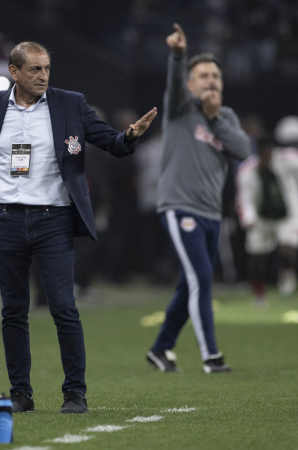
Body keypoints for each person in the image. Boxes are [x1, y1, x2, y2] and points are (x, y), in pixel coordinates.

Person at [0, 41, 157, 414]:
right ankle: (21, 393)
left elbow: (110, 141)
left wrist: (130, 137)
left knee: (63, 308)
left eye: (47, 69)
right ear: (14, 72)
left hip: (52, 219)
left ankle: (75, 392)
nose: (43, 76)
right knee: (13, 310)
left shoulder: (70, 103)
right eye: (35, 70)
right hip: (5, 219)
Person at [147, 24, 251, 374]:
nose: (210, 80)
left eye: (215, 76)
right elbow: (174, 83)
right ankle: (211, 356)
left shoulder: (227, 117)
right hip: (180, 206)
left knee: (190, 281)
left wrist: (214, 118)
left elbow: (242, 149)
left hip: (211, 212)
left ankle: (161, 348)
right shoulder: (179, 107)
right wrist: (178, 55)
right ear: (191, 83)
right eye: (203, 75)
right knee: (202, 278)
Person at [238, 137, 298, 305]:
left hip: (286, 215)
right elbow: (244, 198)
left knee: (288, 246)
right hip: (261, 218)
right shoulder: (247, 171)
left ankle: (288, 275)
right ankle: (259, 293)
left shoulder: (287, 161)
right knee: (257, 260)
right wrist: (249, 218)